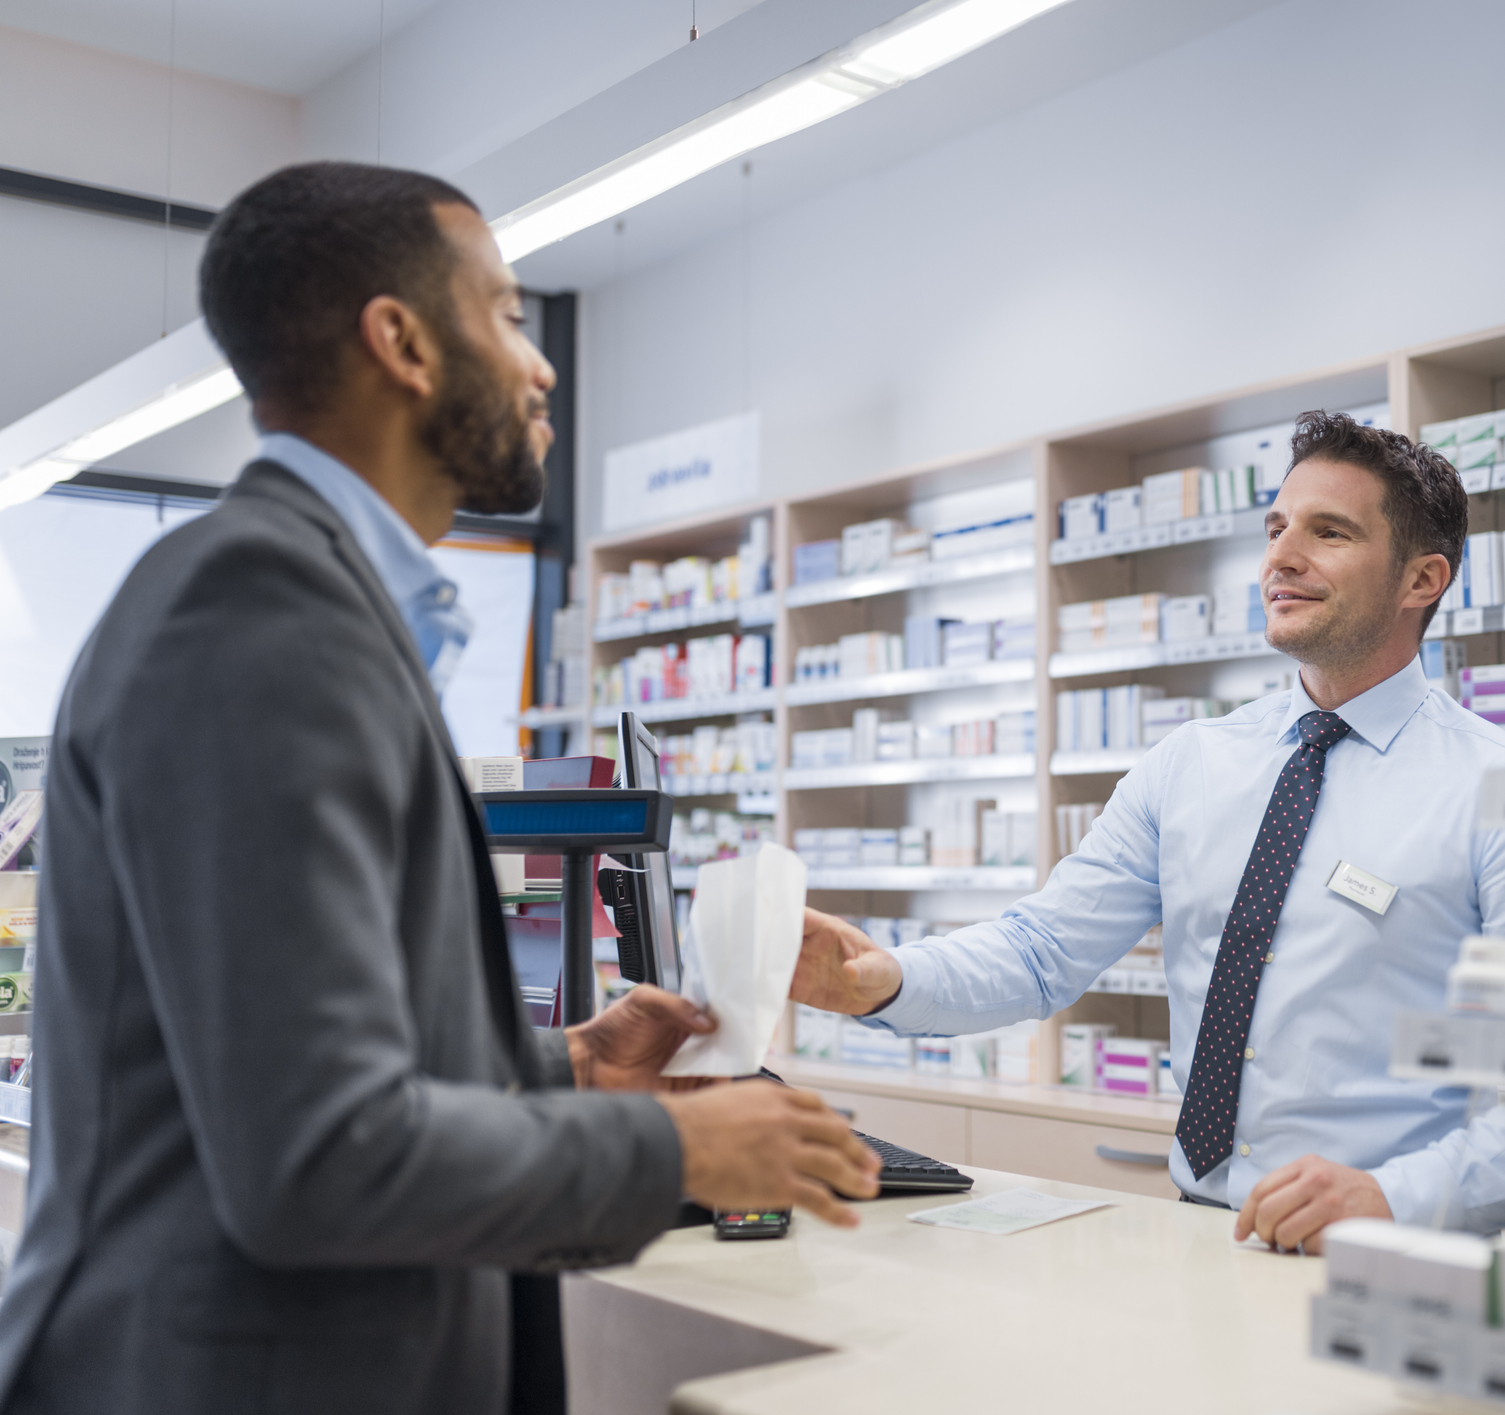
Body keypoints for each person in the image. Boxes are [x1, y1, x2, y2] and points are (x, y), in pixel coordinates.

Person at [0, 162, 878, 1415]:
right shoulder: (256, 615)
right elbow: (312, 1156)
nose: (543, 365)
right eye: (510, 315)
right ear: (401, 341)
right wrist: (674, 1144)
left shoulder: (310, 603)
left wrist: (563, 1071)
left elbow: (304, 1052)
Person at [795, 412, 1505, 1251]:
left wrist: (1398, 1196)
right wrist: (884, 979)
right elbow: (1039, 949)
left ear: (1421, 579)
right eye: (1277, 526)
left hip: (1388, 1252)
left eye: (1329, 532)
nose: (1280, 556)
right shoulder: (1193, 763)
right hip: (1199, 1232)